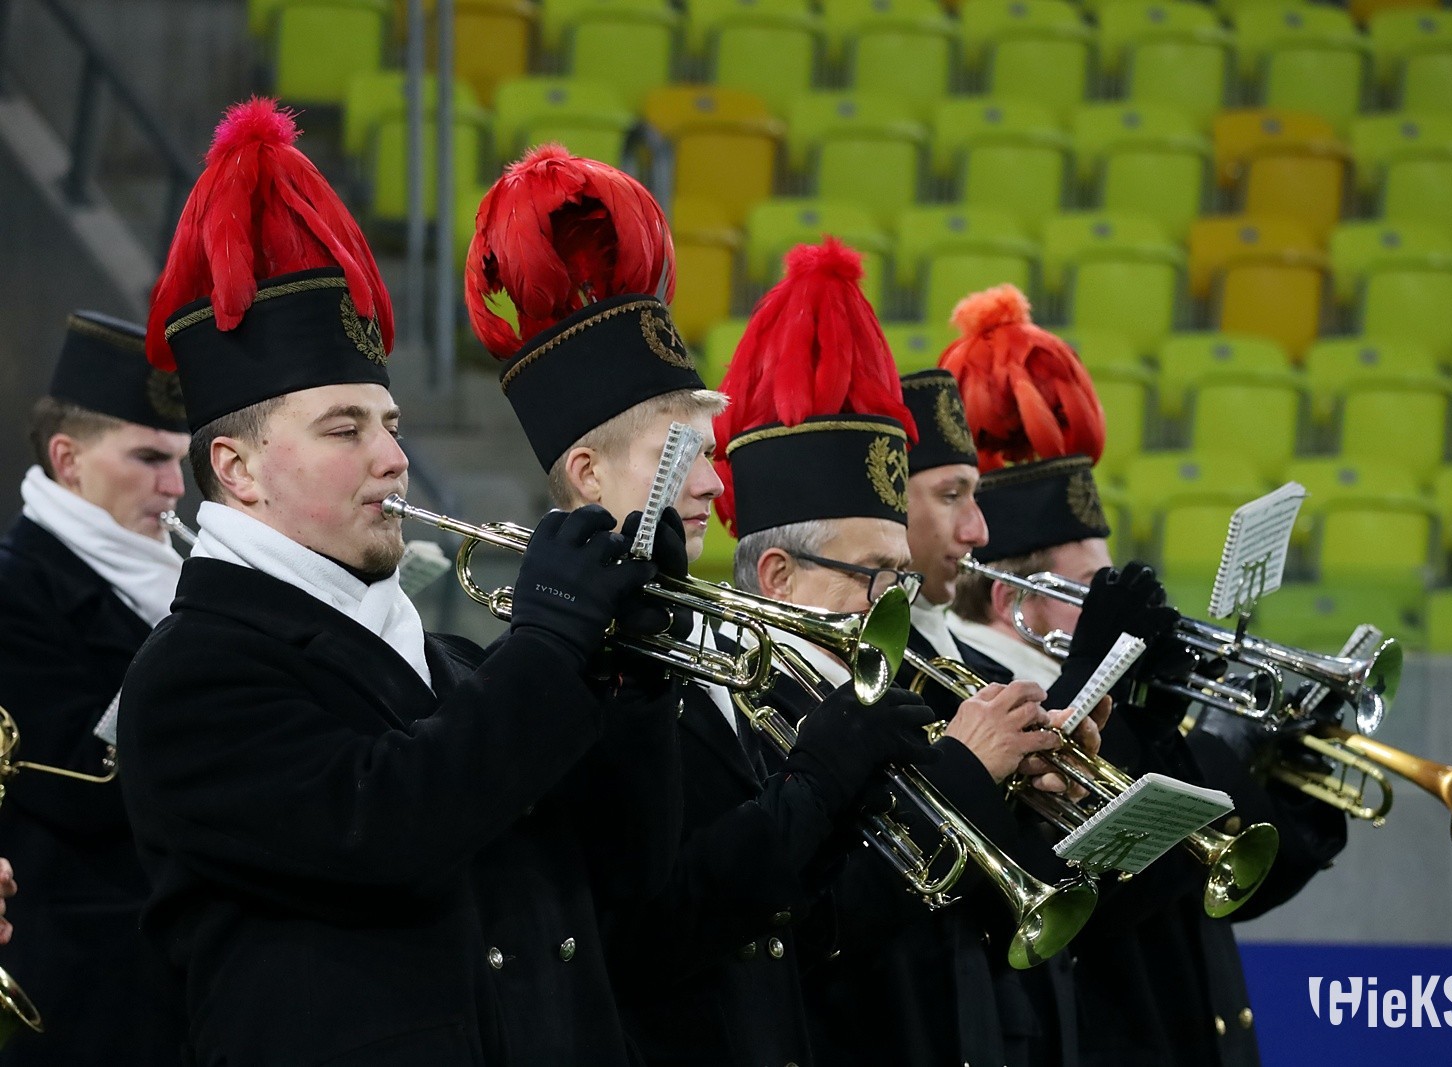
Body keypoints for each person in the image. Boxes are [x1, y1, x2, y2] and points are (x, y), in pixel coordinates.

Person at [118, 99, 676, 1066]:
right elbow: (390, 829)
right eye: (346, 429)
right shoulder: (190, 676)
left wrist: (635, 671)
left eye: (391, 425)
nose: (393, 458)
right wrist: (549, 642)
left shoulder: (447, 664)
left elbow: (625, 871)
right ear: (237, 470)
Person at [464, 151, 945, 1066]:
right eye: (679, 453)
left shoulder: (712, 640)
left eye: (712, 452)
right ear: (587, 473)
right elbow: (650, 928)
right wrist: (817, 783)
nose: (715, 484)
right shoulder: (544, 674)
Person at [713, 240, 1106, 1066]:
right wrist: (962, 776)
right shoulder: (730, 706)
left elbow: (974, 925)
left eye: (901, 575)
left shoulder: (902, 681)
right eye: (874, 575)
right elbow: (809, 930)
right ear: (778, 576)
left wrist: (1031, 801)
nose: (896, 602)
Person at [943, 285, 1348, 1067]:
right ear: (1010, 600)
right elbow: (1110, 883)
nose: (1109, 605)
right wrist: (1157, 718)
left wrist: (1289, 770)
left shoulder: (1111, 698)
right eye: (1087, 589)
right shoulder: (981, 694)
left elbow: (1226, 879)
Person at [0, 310, 189, 1065]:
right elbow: (79, 783)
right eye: (148, 457)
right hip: (84, 987)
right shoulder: (14, 589)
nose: (174, 486)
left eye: (180, 460)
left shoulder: (180, 579)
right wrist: (206, 635)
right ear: (68, 459)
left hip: (182, 971)